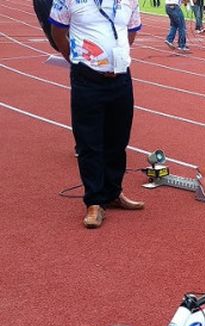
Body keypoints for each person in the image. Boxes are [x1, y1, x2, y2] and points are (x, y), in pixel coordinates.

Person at [49, 0, 145, 229]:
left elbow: (131, 31)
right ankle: (94, 201)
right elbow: (58, 31)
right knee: (89, 142)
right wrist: (76, 59)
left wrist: (117, 58)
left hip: (121, 76)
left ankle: (113, 192)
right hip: (87, 78)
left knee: (118, 138)